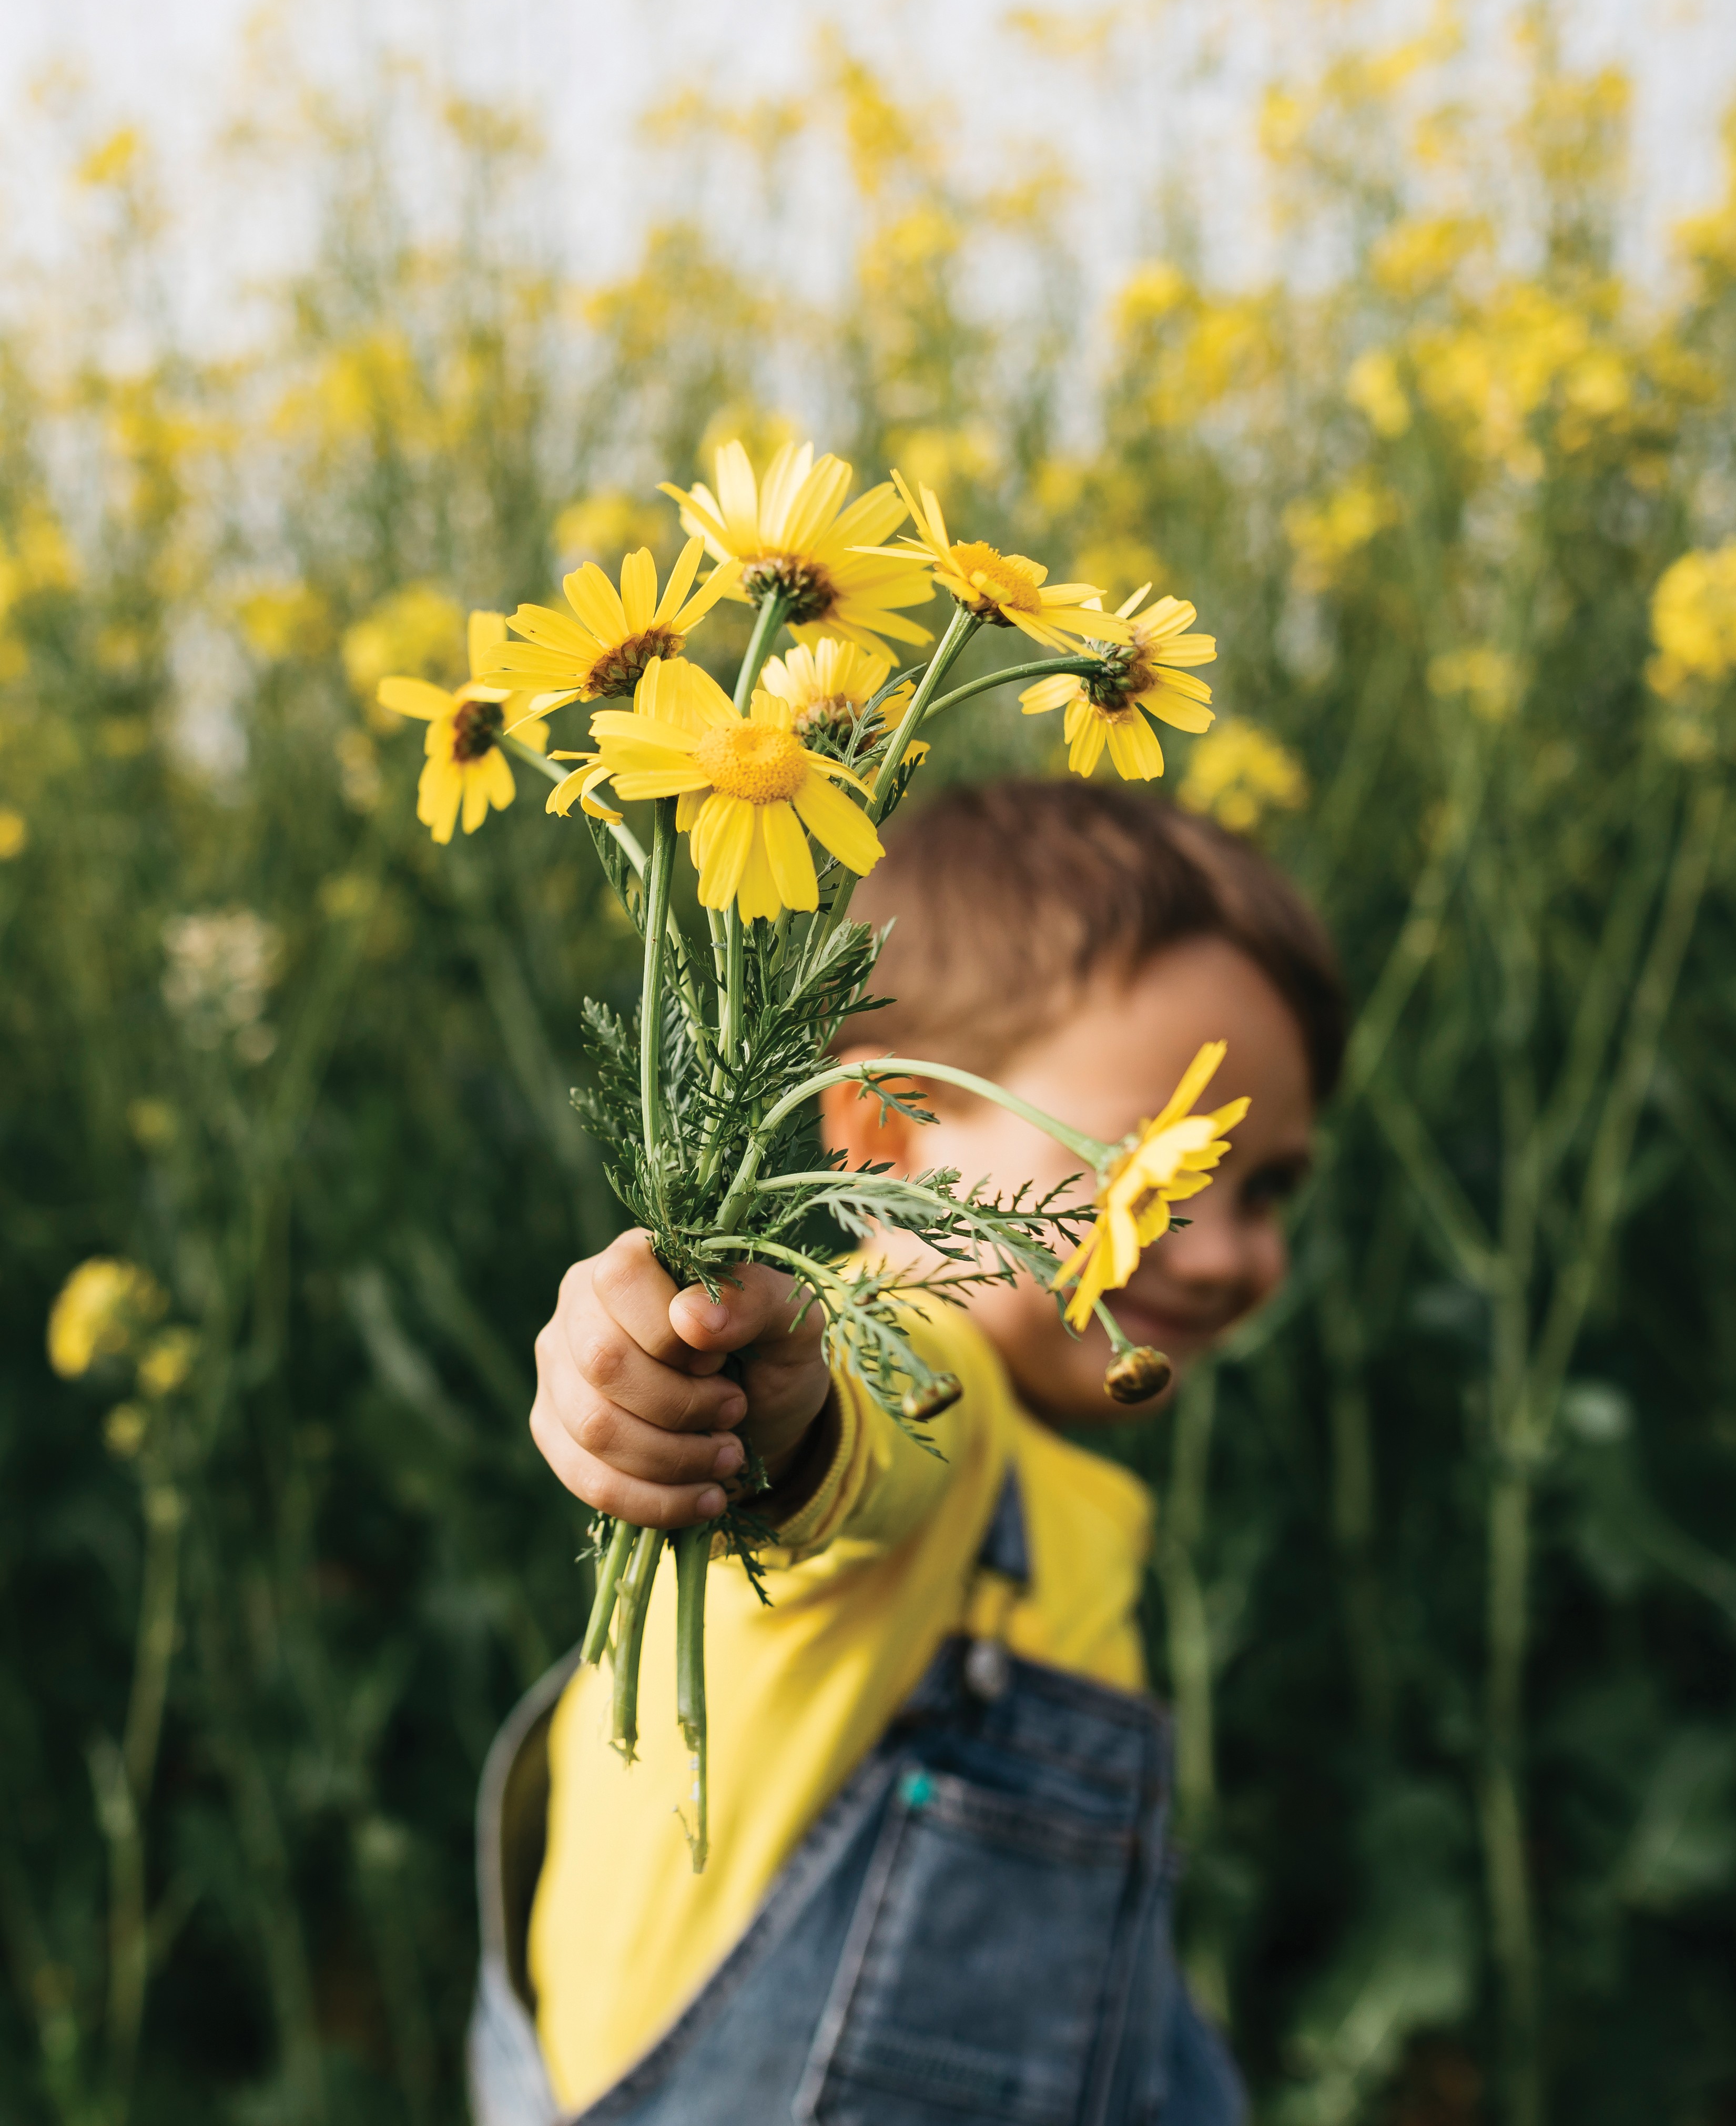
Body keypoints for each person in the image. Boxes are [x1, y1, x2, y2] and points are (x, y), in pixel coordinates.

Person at [469, 779, 1345, 2126]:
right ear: (886, 1125)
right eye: (1151, 1173)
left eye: (1265, 1185)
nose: (1228, 1248)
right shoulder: (926, 1365)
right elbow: (867, 1426)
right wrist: (764, 1409)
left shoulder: (1066, 1486)